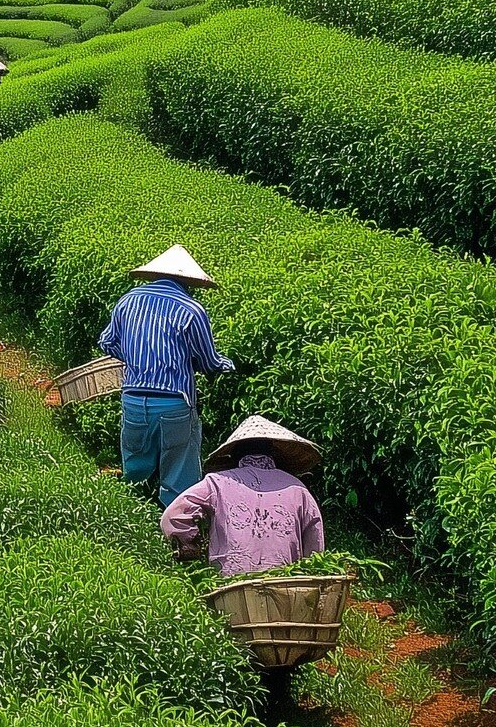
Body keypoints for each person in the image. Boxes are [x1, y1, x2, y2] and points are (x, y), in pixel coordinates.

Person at [96, 245, 232, 505]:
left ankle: (131, 517)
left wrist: (136, 356)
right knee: (179, 473)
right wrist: (225, 365)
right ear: (188, 281)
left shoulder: (128, 301)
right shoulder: (191, 310)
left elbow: (107, 342)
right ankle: (176, 531)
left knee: (135, 468)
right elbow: (208, 361)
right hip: (174, 403)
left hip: (133, 397)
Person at [162, 415, 325, 577]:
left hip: (230, 586)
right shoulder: (298, 488)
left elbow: (172, 517)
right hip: (287, 586)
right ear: (273, 453)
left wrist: (191, 552)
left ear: (234, 454)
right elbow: (315, 551)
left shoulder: (217, 483)